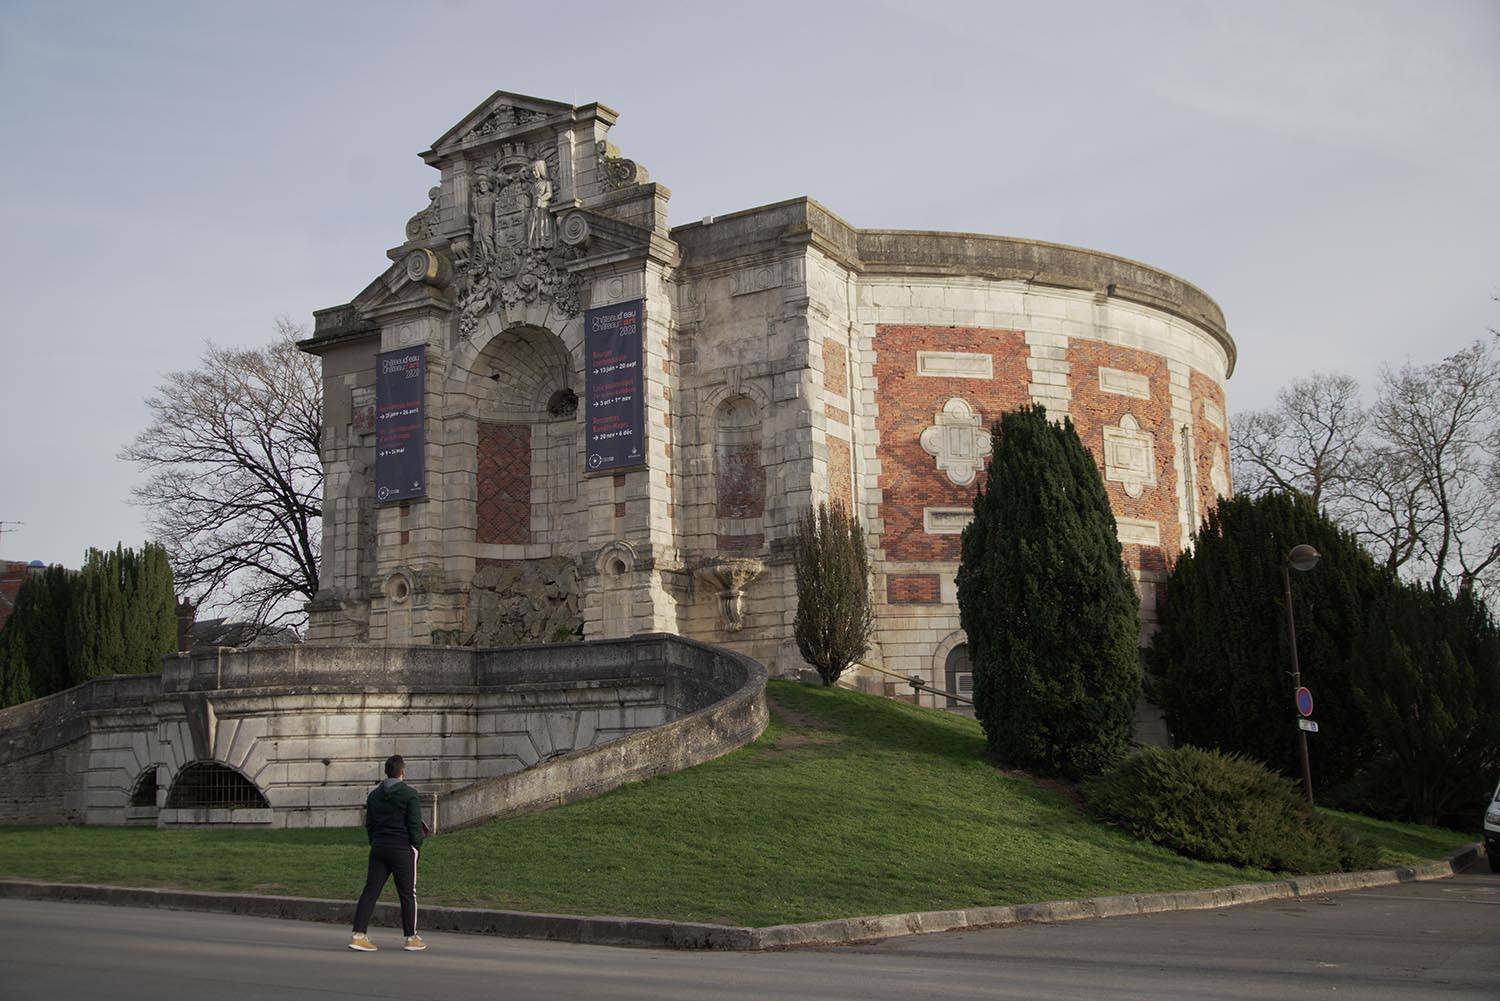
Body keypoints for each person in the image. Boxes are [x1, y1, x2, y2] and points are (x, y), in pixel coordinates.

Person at [348, 754, 427, 952]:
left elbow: (370, 824)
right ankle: (411, 937)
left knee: (370, 891)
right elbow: (414, 824)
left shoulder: (374, 795)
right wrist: (416, 845)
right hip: (402, 849)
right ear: (403, 772)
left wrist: (374, 841)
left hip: (379, 847)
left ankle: (359, 935)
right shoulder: (409, 794)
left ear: (385, 772)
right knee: (408, 894)